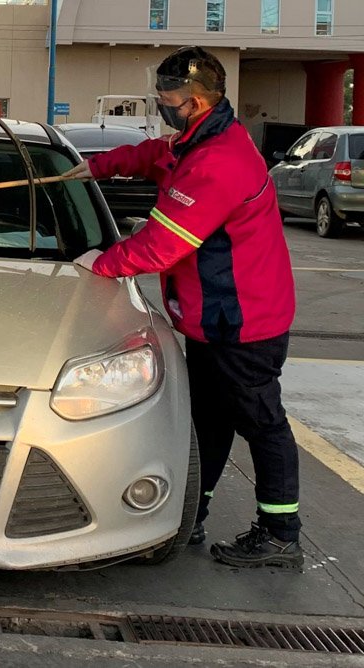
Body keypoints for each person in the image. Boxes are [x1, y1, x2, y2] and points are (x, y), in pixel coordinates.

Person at [64, 46, 302, 569]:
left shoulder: (219, 163)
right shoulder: (200, 141)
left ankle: (281, 533)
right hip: (213, 318)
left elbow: (159, 246)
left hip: (244, 321)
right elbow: (155, 155)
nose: (159, 104)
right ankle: (191, 514)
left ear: (193, 103)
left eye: (165, 98)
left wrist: (96, 266)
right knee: (210, 422)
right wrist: (97, 167)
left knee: (262, 422)